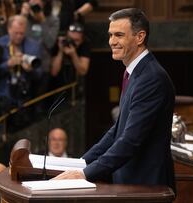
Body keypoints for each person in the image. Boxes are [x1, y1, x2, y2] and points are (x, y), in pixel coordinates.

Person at [53, 8, 175, 190]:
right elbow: (118, 129)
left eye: (118, 35)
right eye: (110, 35)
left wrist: (84, 174)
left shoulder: (151, 78)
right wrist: (81, 163)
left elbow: (130, 140)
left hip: (146, 185)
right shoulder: (133, 72)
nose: (112, 42)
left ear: (140, 37)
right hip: (130, 181)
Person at [50, 22, 90, 91]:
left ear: (82, 40)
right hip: (56, 87)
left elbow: (83, 71)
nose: (72, 43)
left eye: (76, 40)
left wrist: (73, 54)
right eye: (71, 39)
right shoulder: (59, 44)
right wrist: (60, 51)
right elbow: (54, 72)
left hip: (76, 88)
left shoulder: (84, 46)